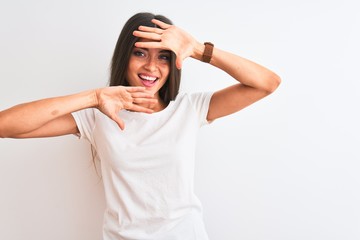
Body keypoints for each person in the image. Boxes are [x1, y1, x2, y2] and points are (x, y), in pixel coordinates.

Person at [0, 12, 281, 240]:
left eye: (163, 56)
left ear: (174, 63)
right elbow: (5, 125)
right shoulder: (97, 115)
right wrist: (94, 97)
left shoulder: (189, 109)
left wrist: (197, 49)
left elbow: (267, 83)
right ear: (125, 57)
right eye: (140, 53)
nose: (151, 67)